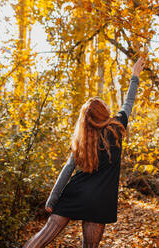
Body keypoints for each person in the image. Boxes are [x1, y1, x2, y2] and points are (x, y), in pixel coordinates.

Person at [23, 56, 146, 248]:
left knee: (42, 237)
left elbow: (68, 169)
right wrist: (134, 76)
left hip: (75, 193)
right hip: (100, 200)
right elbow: (128, 101)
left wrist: (52, 199)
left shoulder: (83, 140)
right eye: (104, 106)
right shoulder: (116, 127)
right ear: (103, 113)